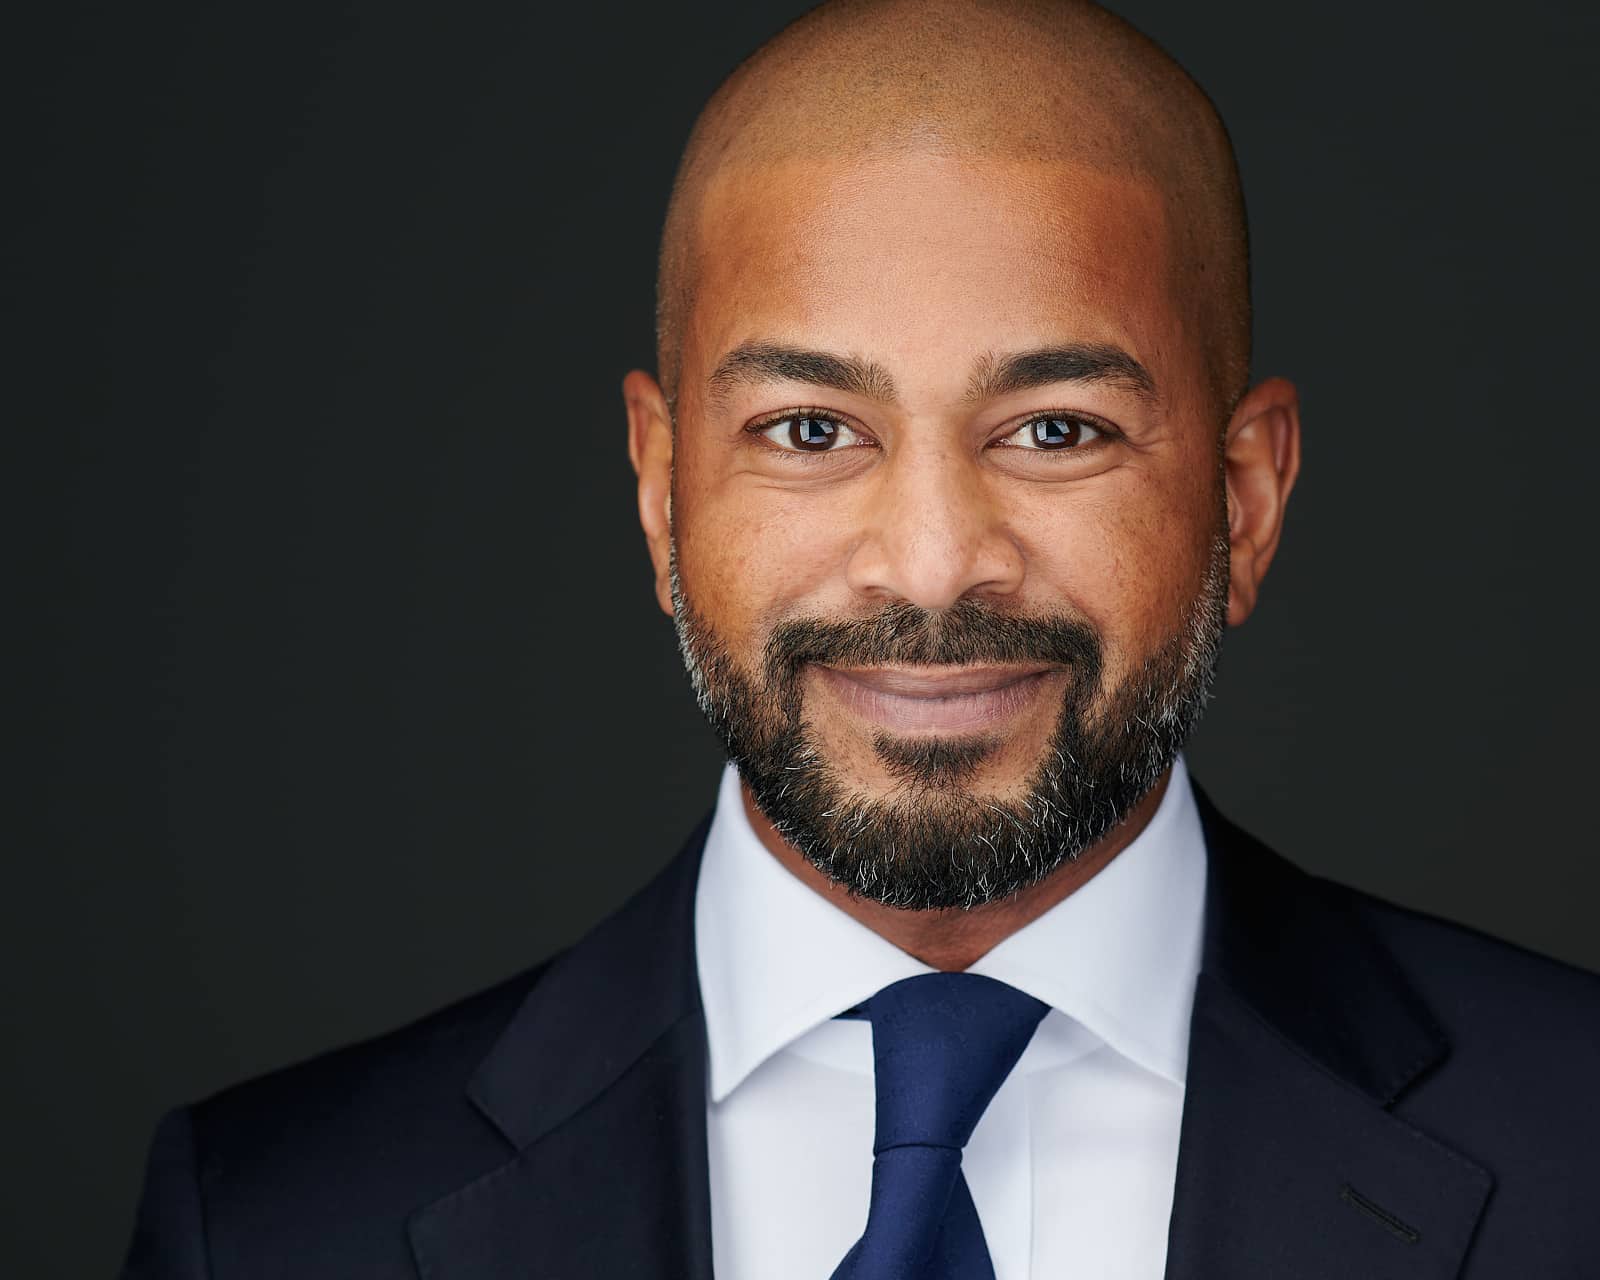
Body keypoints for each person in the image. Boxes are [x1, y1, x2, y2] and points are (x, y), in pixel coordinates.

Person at [121, 1, 1600, 1275]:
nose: (935, 563)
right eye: (812, 428)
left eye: (1056, 429)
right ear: (660, 488)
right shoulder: (267, 1223)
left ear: (1246, 498)